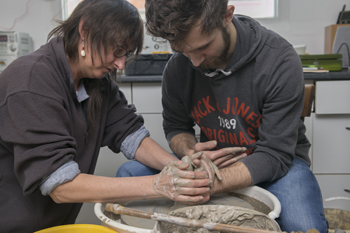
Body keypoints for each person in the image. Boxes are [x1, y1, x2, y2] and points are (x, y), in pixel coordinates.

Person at [0, 0, 218, 232]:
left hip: (55, 223)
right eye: (116, 51)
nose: (121, 64)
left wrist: (180, 168)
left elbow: (130, 135)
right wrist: (158, 185)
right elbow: (60, 184)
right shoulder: (31, 81)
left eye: (125, 54)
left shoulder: (96, 82)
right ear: (85, 31)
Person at [117, 0, 329, 232]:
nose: (195, 62)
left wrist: (206, 183)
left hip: (276, 166)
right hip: (209, 166)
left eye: (202, 48)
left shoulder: (279, 60)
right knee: (128, 174)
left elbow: (274, 154)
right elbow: (177, 128)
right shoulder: (178, 67)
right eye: (183, 51)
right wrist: (188, 151)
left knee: (304, 226)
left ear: (226, 16)